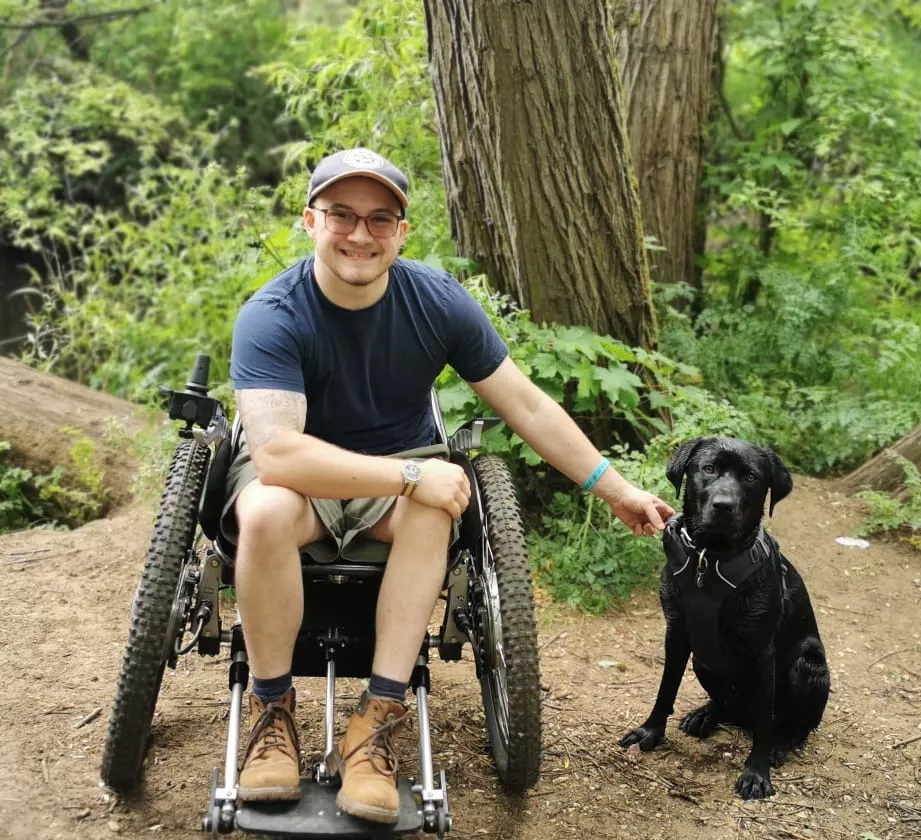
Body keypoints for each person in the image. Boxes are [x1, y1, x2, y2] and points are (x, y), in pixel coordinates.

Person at [216, 147, 675, 824]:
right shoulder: (273, 314)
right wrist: (410, 474)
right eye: (342, 215)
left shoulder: (437, 303)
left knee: (437, 507)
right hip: (302, 482)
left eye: (380, 219)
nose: (360, 234)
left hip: (399, 477)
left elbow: (526, 406)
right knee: (262, 510)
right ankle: (271, 709)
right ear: (311, 221)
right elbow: (279, 455)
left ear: (402, 232)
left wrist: (617, 488)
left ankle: (377, 720)